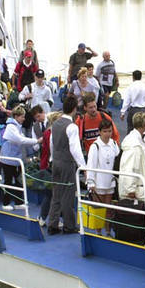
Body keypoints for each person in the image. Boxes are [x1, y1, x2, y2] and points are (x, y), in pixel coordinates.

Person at [47, 96, 86, 234]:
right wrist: (83, 167)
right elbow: (75, 149)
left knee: (56, 194)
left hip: (56, 161)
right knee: (68, 195)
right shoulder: (72, 126)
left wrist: (52, 158)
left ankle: (52, 223)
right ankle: (69, 225)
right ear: (75, 109)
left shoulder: (55, 124)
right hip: (66, 163)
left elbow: (52, 143)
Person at [0, 104, 42, 210]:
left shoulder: (17, 127)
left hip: (15, 159)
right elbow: (21, 140)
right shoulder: (11, 127)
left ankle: (18, 202)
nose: (24, 119)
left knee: (19, 180)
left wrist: (35, 146)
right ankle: (5, 203)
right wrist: (36, 141)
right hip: (8, 159)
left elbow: (23, 139)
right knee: (8, 181)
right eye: (22, 116)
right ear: (16, 116)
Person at [86, 119, 120, 236]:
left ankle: (108, 231)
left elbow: (118, 162)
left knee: (109, 210)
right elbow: (91, 165)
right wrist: (91, 183)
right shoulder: (95, 146)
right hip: (98, 184)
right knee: (99, 210)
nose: (107, 134)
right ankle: (99, 232)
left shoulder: (114, 144)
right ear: (100, 132)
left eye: (109, 131)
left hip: (110, 183)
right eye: (105, 131)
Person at [118, 112, 145, 201]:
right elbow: (129, 167)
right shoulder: (134, 144)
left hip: (140, 189)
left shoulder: (139, 141)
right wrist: (130, 190)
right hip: (135, 193)